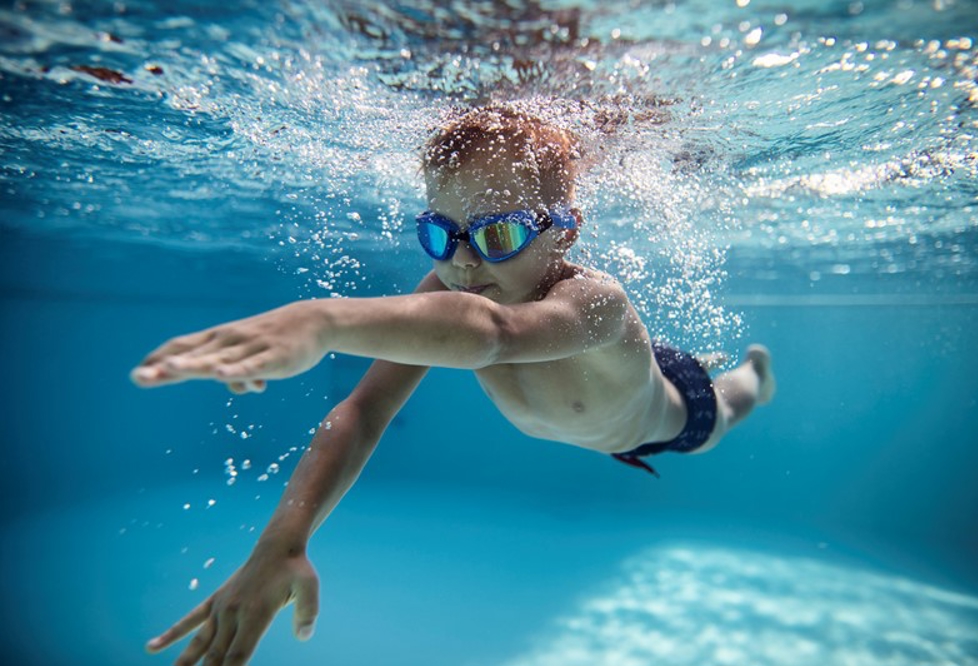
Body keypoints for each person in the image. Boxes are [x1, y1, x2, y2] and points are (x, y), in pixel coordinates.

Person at [133, 105, 775, 665]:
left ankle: (753, 372)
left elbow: (494, 333)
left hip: (667, 413)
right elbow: (362, 410)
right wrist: (283, 541)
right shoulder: (454, 286)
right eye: (441, 233)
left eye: (499, 234)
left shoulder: (596, 301)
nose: (463, 261)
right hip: (596, 397)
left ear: (566, 229)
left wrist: (323, 320)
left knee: (725, 408)